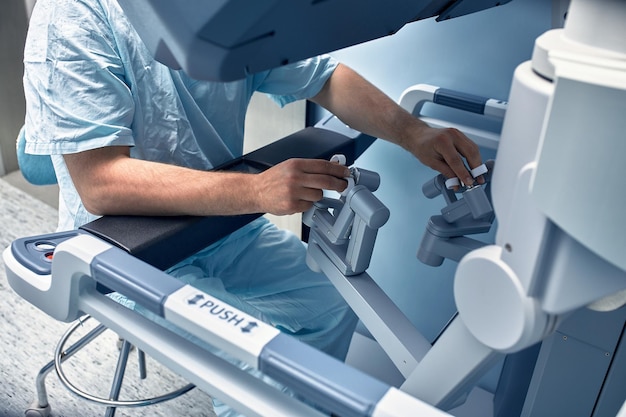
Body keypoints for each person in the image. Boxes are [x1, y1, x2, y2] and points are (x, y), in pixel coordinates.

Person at [22, 0, 484, 415]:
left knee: (328, 307)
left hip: (220, 228)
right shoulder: (73, 15)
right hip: (125, 246)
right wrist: (257, 192)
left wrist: (411, 132)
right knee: (254, 360)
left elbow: (326, 78)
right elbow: (100, 183)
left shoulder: (220, 14)